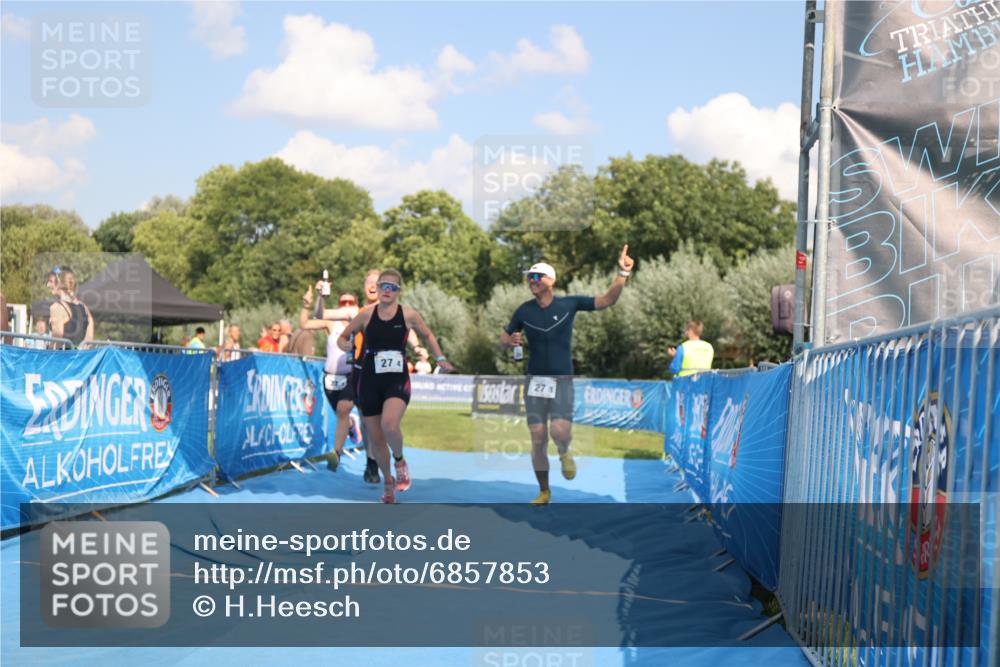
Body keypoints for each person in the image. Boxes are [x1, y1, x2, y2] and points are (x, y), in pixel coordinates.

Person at [500, 245, 635, 505]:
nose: (532, 281)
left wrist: (622, 273)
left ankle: (563, 451)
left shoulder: (569, 304)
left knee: (559, 432)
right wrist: (510, 341)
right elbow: (504, 338)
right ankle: (544, 491)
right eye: (529, 277)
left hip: (562, 380)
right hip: (534, 381)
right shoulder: (523, 311)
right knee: (537, 438)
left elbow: (607, 300)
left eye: (537, 276)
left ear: (551, 281)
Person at [337, 269, 454, 503]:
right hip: (369, 381)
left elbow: (428, 335)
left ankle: (399, 461)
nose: (387, 291)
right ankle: (388, 483)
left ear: (399, 291)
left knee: (389, 424)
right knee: (377, 439)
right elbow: (343, 336)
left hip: (396, 380)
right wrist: (344, 345)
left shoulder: (408, 314)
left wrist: (440, 358)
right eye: (383, 286)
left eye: (392, 287)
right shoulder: (365, 315)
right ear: (378, 288)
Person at [299, 287, 359, 471]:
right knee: (340, 414)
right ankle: (352, 424)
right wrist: (306, 305)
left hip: (351, 377)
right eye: (343, 303)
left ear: (356, 306)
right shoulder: (332, 324)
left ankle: (336, 454)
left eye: (350, 303)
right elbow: (304, 324)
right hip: (330, 378)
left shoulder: (361, 324)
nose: (346, 306)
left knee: (342, 411)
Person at [47, 266, 94, 346]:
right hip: (80, 353)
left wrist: (48, 349)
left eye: (51, 281)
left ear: (59, 284)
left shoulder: (57, 307)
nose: (48, 285)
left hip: (62, 353)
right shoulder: (85, 308)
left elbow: (57, 340)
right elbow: (89, 341)